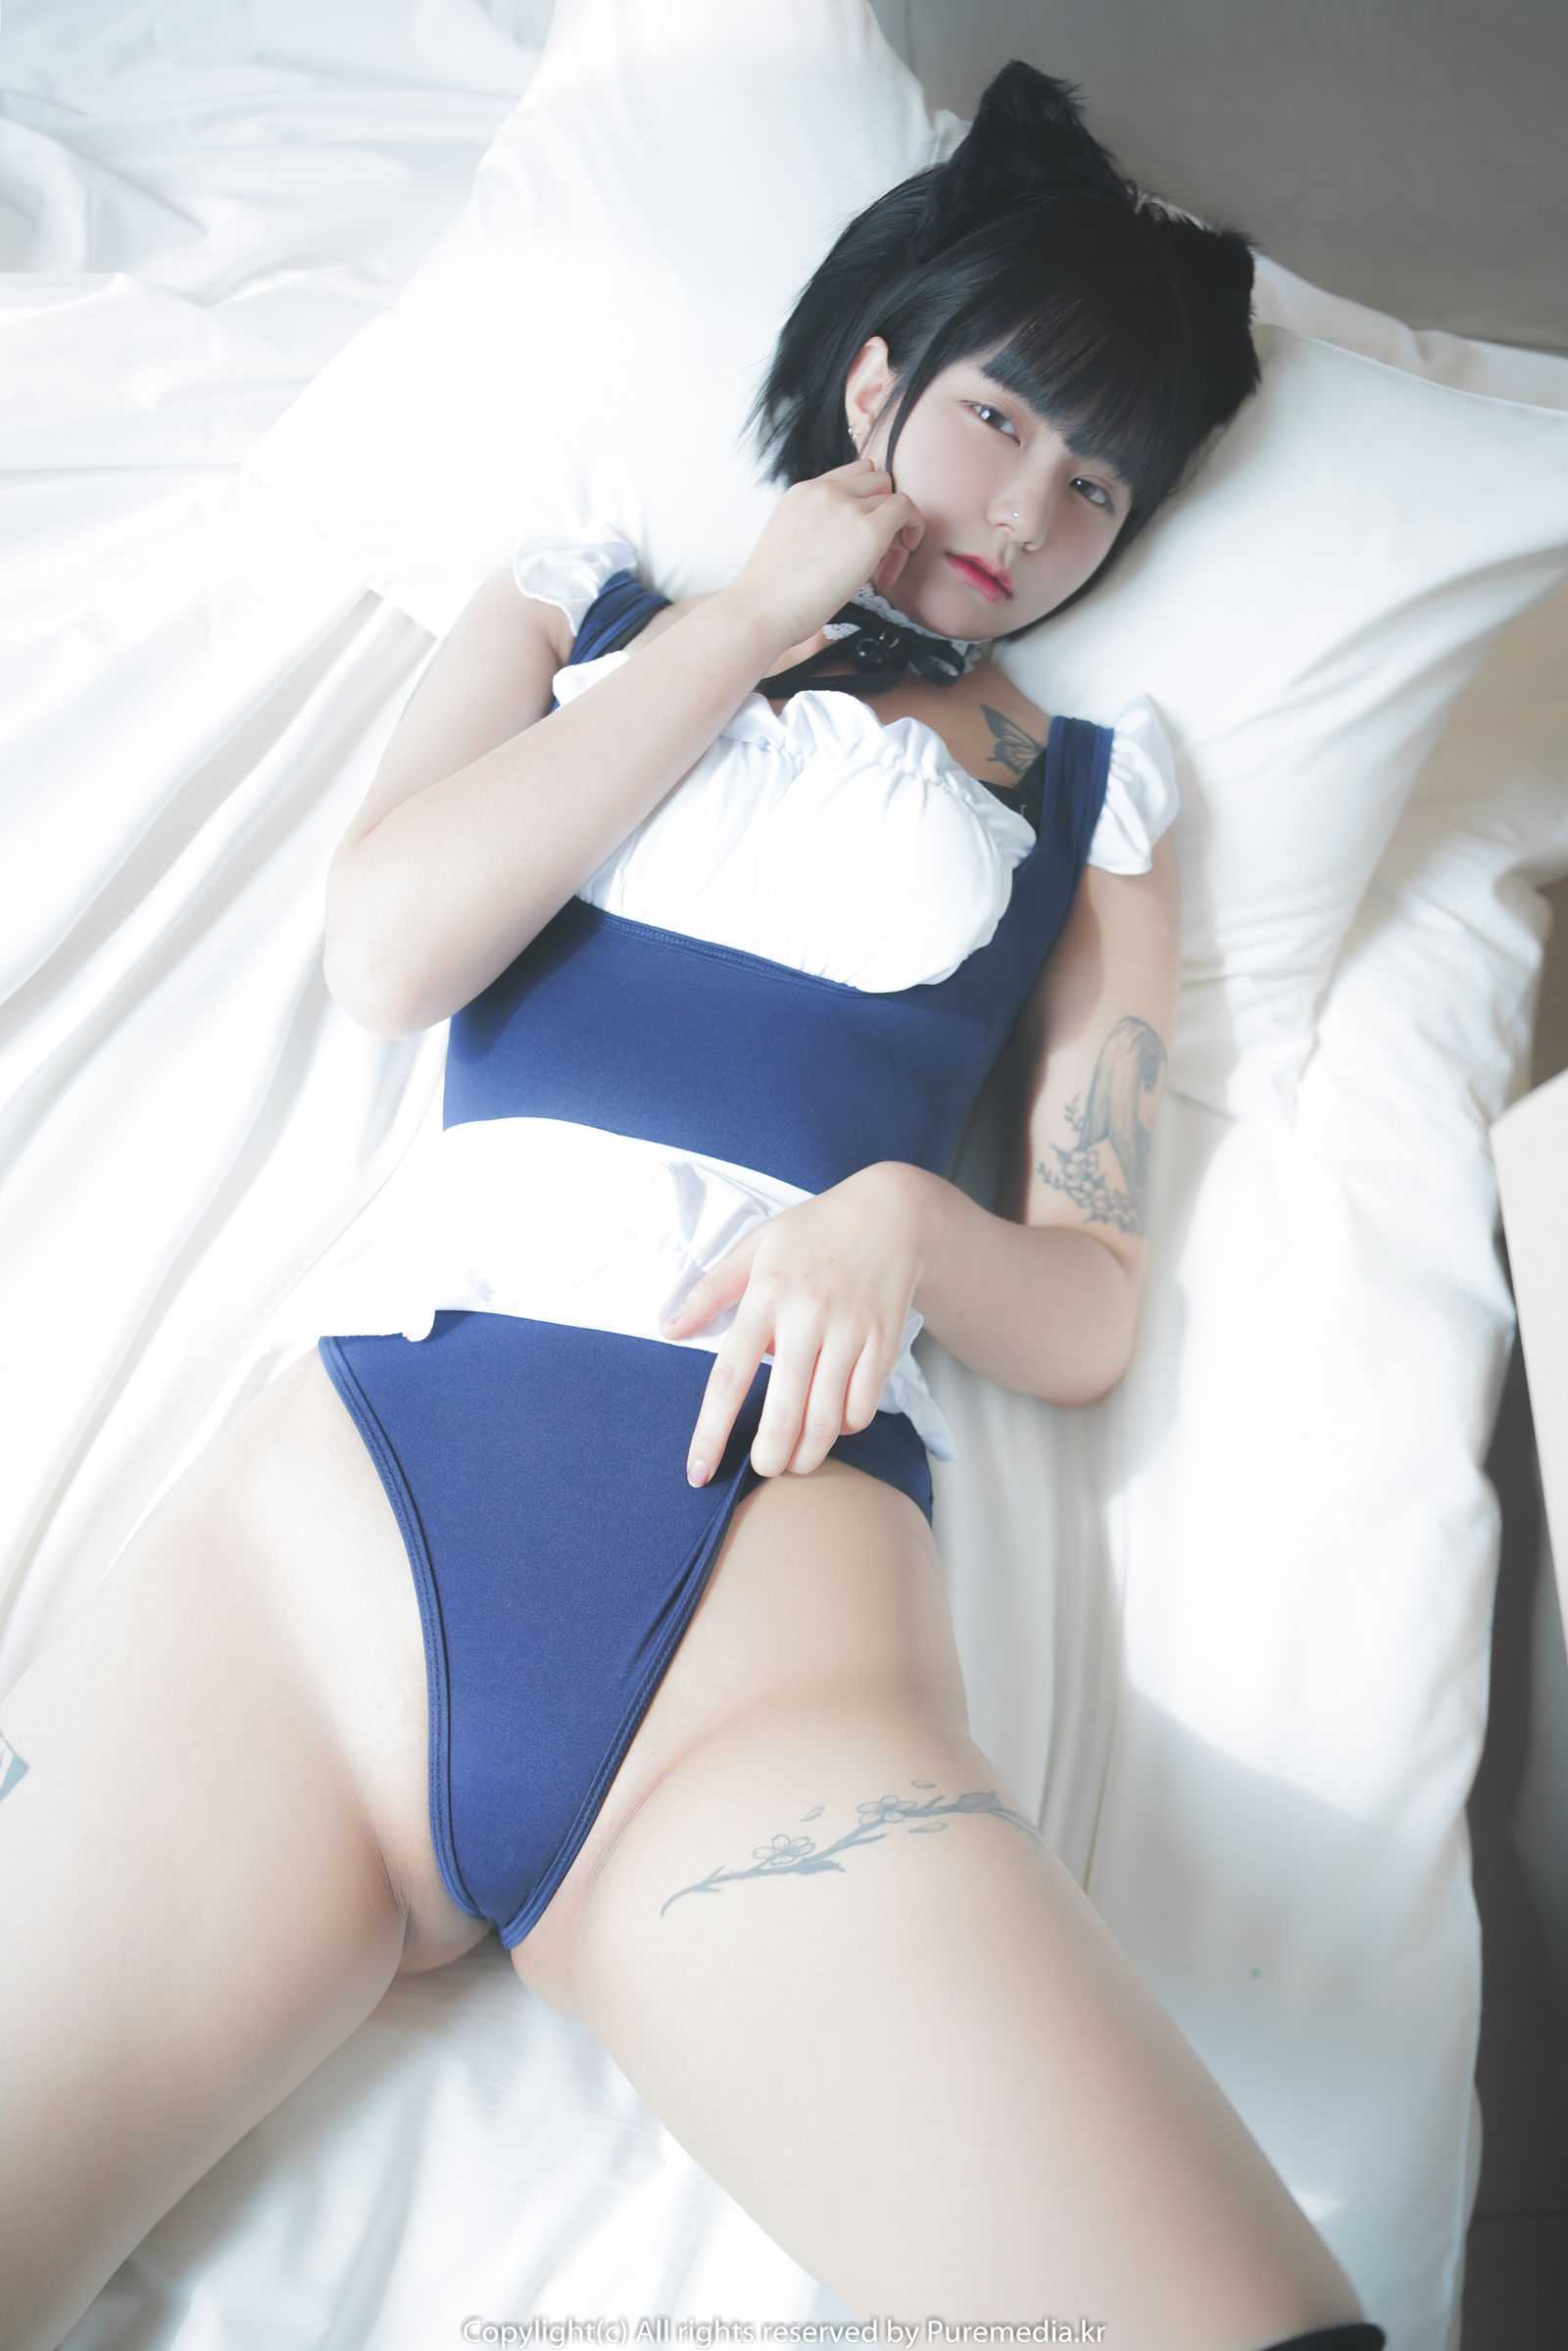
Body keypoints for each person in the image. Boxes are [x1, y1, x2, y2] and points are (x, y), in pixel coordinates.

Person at [0, 60, 1387, 2349]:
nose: (1027, 512)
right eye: (997, 420)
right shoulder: (576, 609)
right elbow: (388, 953)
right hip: (323, 1572)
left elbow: (1086, 1308)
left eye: (1094, 482)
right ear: (876, 381)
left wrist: (899, 1226)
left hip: (756, 1648)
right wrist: (739, 627)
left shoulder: (1095, 804)